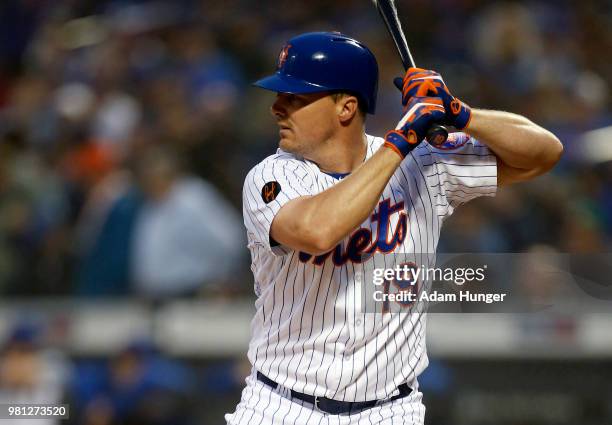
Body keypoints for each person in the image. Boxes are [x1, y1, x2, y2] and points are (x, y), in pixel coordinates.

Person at [227, 32, 562, 424]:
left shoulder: (424, 165)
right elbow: (317, 231)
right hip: (283, 406)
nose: (277, 108)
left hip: (390, 410)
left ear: (346, 107)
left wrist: (460, 113)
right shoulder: (271, 175)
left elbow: (543, 153)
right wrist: (401, 140)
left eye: (296, 98)